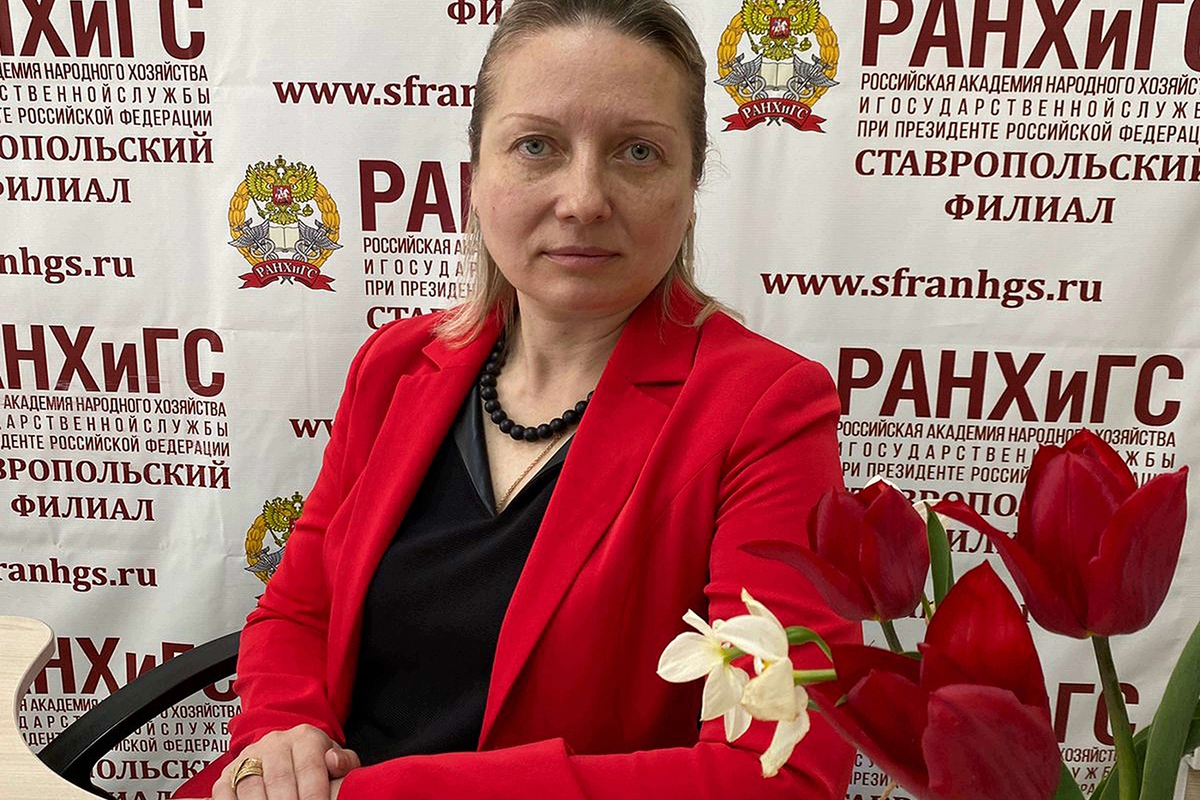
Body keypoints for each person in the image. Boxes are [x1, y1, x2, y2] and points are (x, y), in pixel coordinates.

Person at [178, 1, 859, 798]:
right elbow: (301, 611)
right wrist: (280, 735)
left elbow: (780, 773)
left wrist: (370, 795)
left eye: (638, 152)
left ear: (691, 186)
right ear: (475, 175)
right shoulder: (395, 366)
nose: (583, 200)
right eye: (536, 146)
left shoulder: (766, 409)